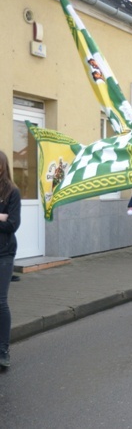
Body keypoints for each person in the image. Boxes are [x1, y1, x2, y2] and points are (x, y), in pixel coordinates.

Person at [0, 151, 21, 369]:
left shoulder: (12, 192)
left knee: (0, 302)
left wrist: (5, 219)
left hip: (4, 254)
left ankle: (3, 350)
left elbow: (12, 224)